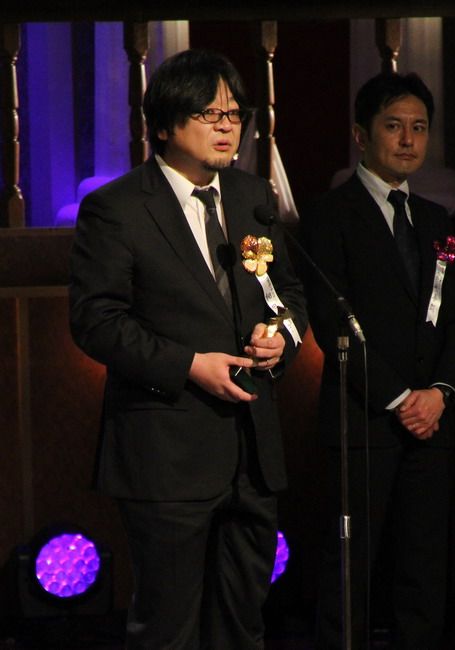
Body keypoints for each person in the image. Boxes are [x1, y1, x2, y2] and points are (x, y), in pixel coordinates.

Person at [69, 49, 307, 650]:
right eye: (210, 113)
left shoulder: (255, 196)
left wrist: (280, 336)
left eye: (235, 113)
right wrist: (188, 366)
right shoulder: (118, 207)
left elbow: (291, 297)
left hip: (252, 453)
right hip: (166, 453)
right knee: (168, 627)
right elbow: (95, 320)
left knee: (243, 624)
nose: (229, 126)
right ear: (166, 124)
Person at [302, 72, 455, 649]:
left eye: (419, 128)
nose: (408, 141)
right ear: (361, 134)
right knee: (350, 569)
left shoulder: (435, 220)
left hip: (433, 422)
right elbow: (331, 324)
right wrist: (401, 398)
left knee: (423, 571)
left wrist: (440, 393)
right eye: (394, 126)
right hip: (365, 421)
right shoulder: (329, 215)